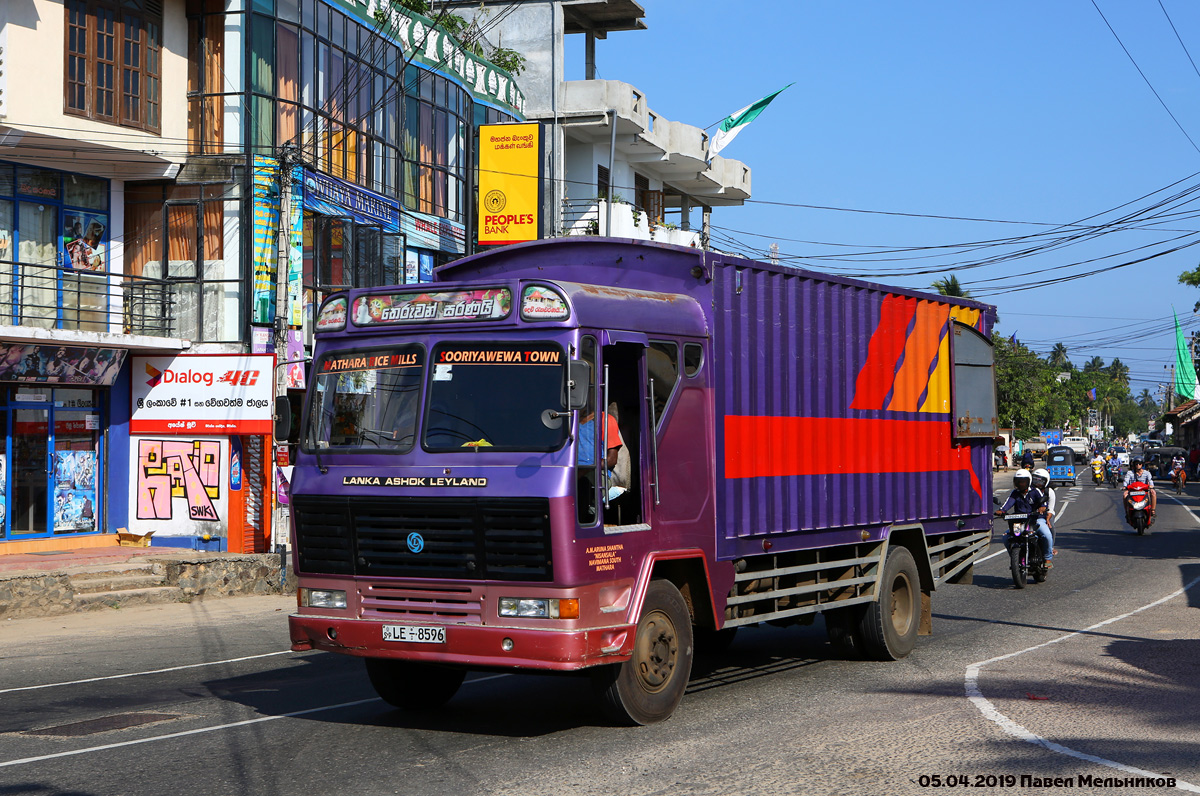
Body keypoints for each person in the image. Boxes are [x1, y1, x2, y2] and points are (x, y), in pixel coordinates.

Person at [1030, 468, 1057, 568]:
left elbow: (1050, 508)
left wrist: (1048, 518)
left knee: (1051, 528)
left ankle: (1050, 548)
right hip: (1031, 515)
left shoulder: (1049, 492)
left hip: (1046, 514)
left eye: (1040, 481)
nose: (1037, 483)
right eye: (1035, 480)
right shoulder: (1030, 490)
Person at [1122, 458, 1156, 526]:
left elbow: (1150, 480)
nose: (1138, 465)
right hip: (1133, 491)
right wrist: (1125, 486)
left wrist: (1151, 486)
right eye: (1136, 464)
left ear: (1142, 465)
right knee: (1125, 495)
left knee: (1153, 493)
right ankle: (1127, 512)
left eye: (1139, 464)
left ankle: (1152, 510)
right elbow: (1126, 481)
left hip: (1144, 492)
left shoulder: (1147, 473)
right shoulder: (1130, 473)